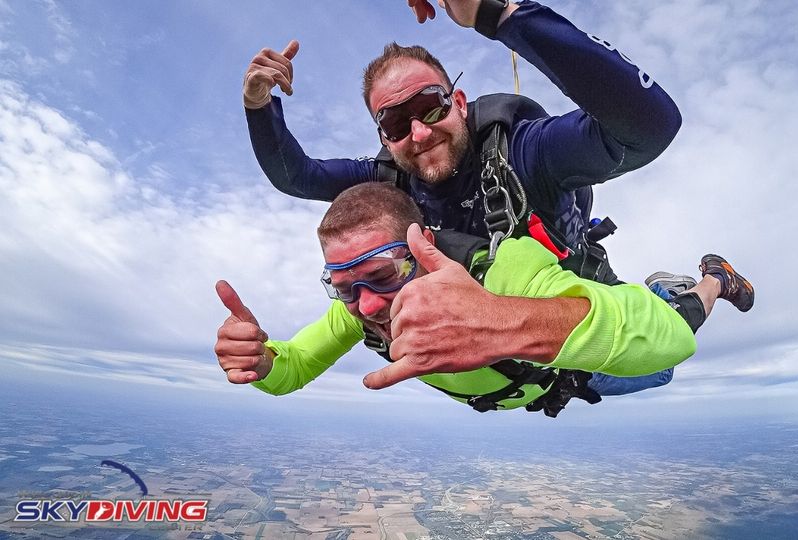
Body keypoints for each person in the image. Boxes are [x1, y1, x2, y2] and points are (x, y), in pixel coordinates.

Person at [240, 0, 753, 394]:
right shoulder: (387, 196)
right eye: (395, 123)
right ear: (383, 137)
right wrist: (259, 104)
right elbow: (298, 177)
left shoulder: (524, 154)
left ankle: (710, 279)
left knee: (660, 366)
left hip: (574, 309)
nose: (417, 133)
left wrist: (497, 13)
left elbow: (650, 127)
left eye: (430, 107)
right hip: (534, 373)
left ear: (459, 102)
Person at [214, 184, 751, 414]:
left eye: (382, 277)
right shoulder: (358, 311)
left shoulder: (501, 270)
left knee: (664, 366)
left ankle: (707, 278)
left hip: (575, 372)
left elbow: (667, 340)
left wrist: (499, 322)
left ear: (421, 247)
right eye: (344, 287)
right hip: (533, 390)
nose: (368, 305)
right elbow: (297, 365)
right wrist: (263, 362)